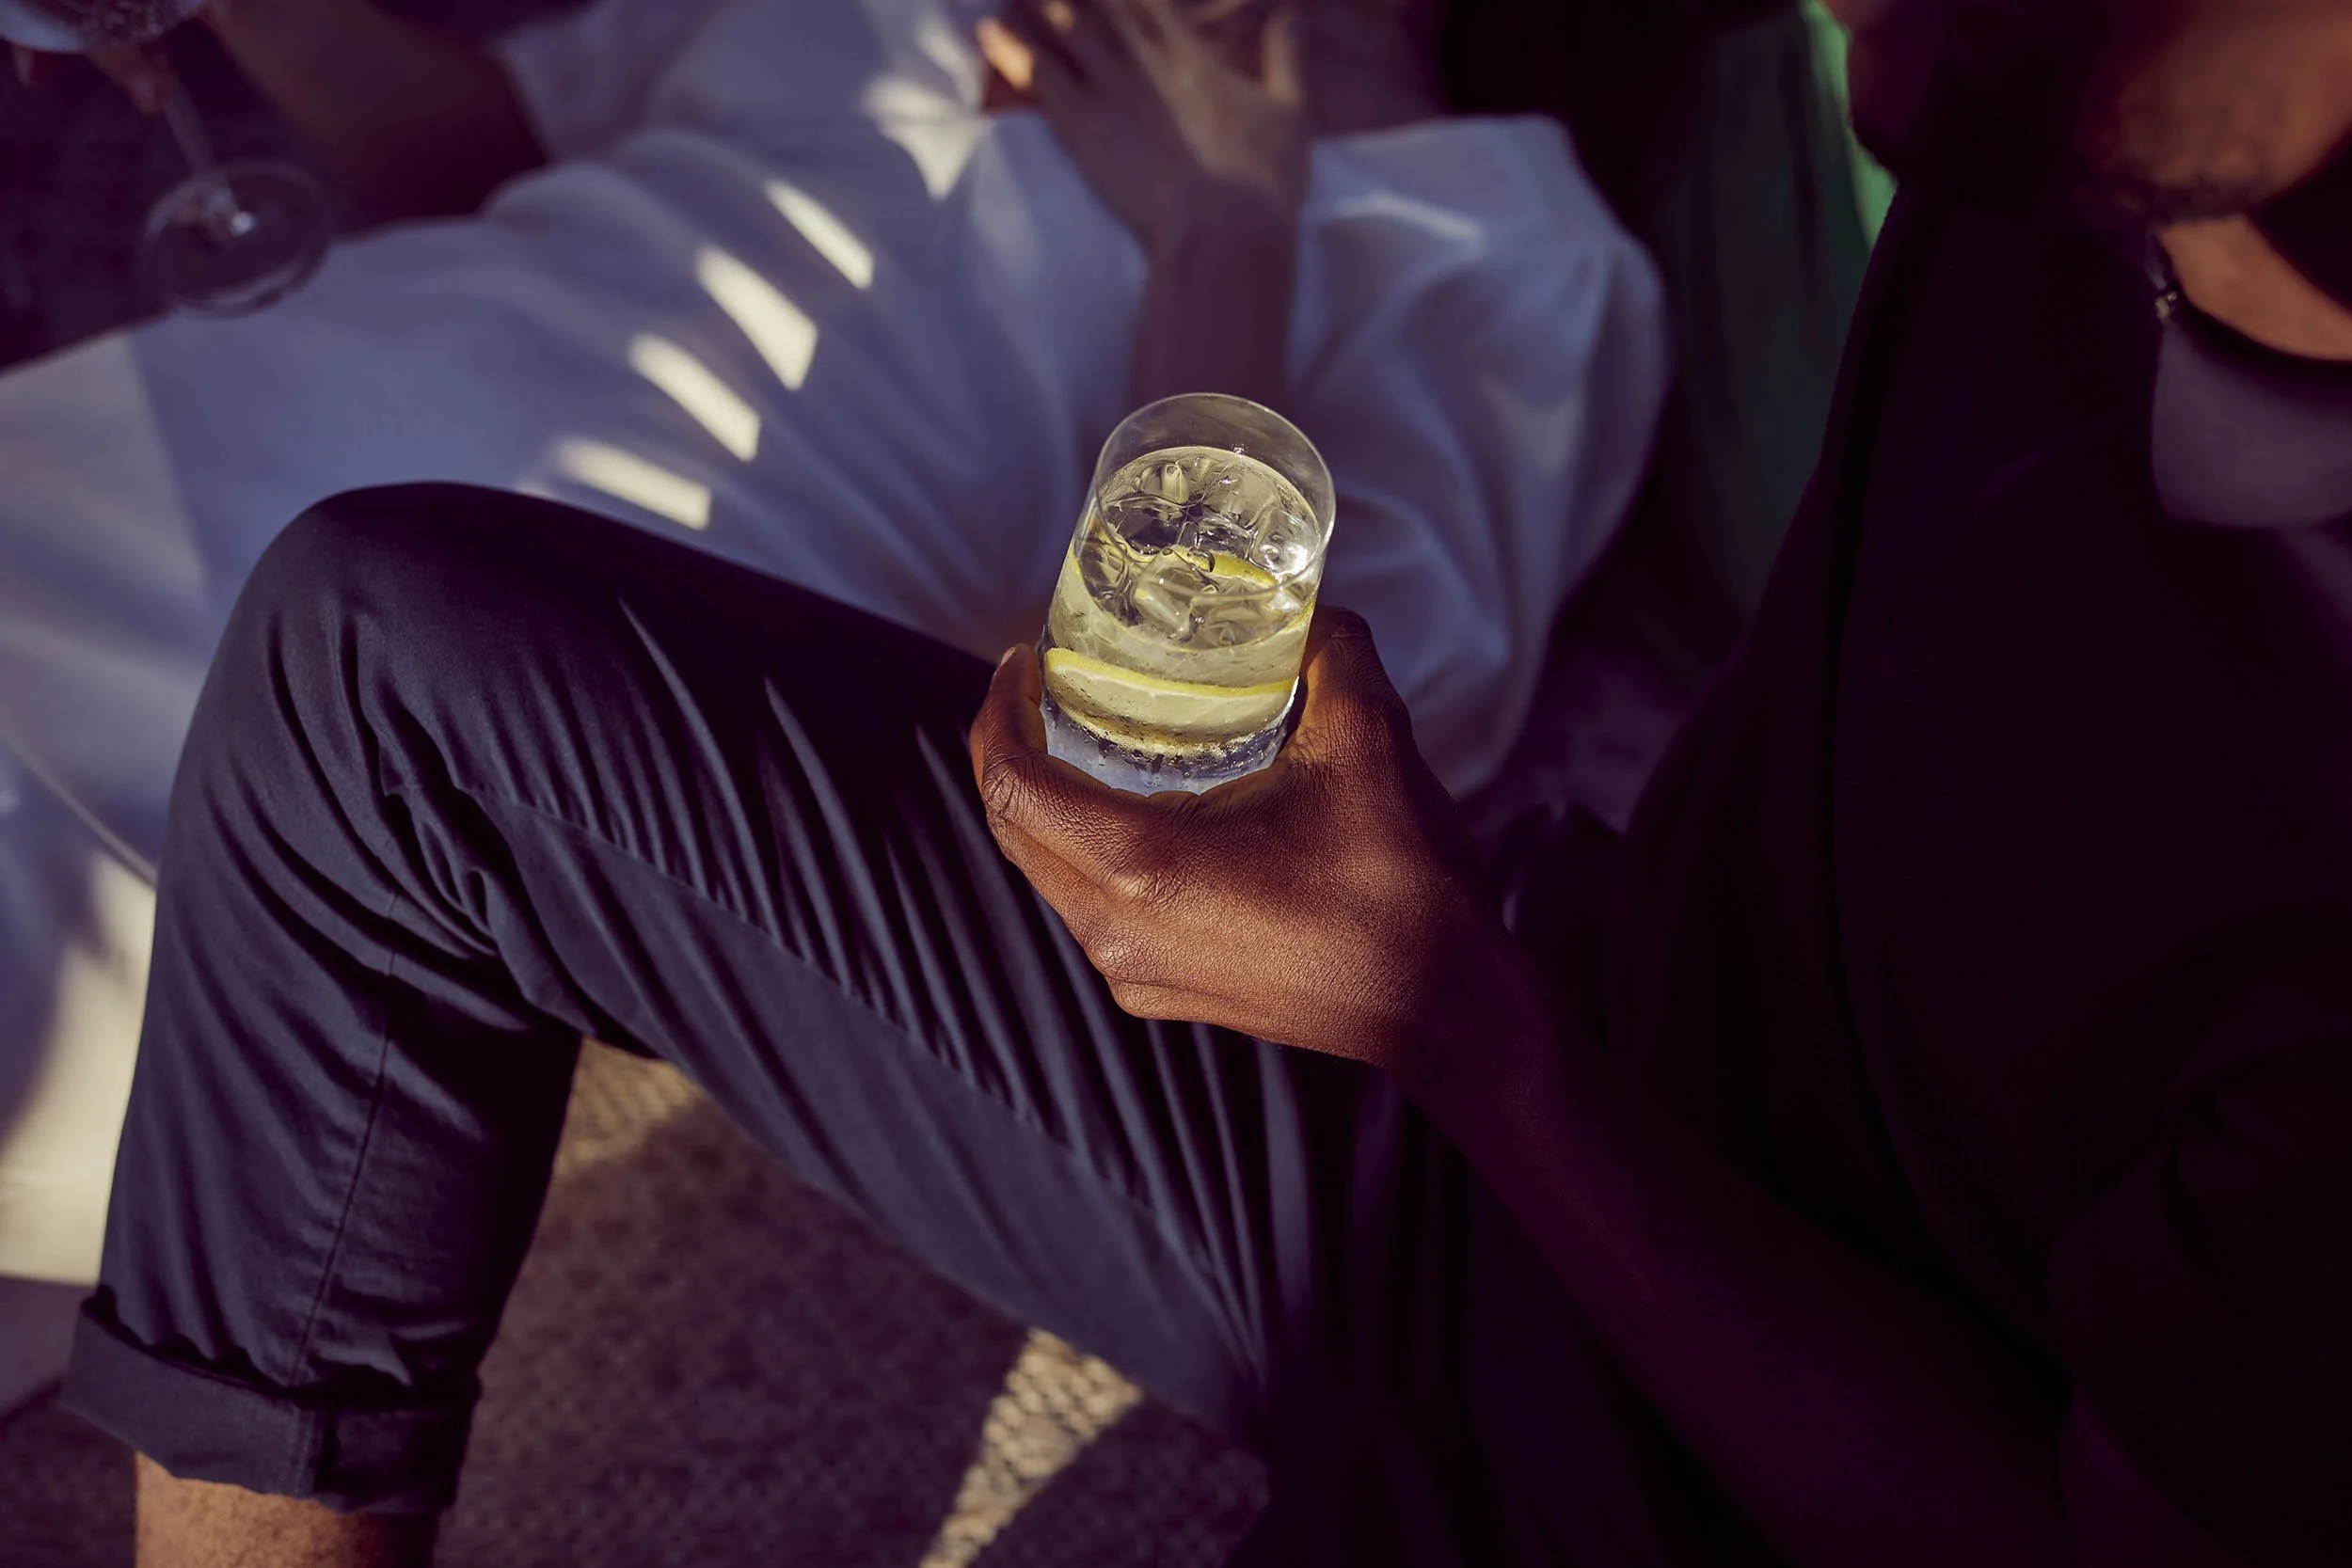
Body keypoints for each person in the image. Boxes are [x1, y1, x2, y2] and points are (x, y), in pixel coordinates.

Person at [57, 2, 2352, 1566]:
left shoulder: (1515, 235)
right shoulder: (2024, 144)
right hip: (1556, 1009)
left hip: (1669, 1349)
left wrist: (1481, 1037)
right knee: (371, 649)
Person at [0, 0, 1666, 1305]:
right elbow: (497, 154)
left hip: (377, 764)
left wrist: (1225, 226)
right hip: (122, 450)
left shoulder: (1512, 249)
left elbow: (1193, 812)